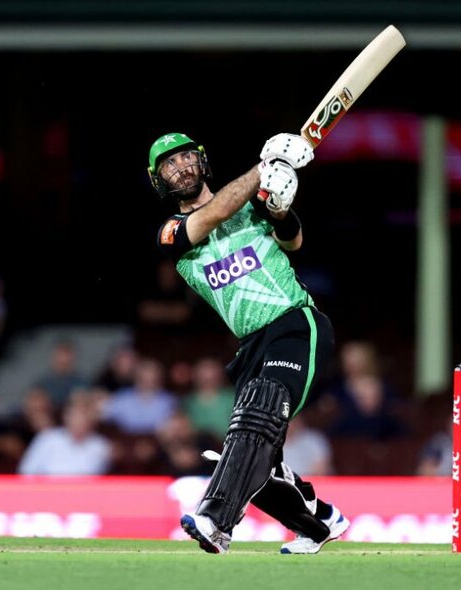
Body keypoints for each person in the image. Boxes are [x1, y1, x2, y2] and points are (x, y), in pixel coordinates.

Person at [148, 131, 347, 555]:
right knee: (252, 452)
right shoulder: (172, 233)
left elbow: (293, 240)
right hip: (250, 345)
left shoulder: (251, 203)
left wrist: (278, 208)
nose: (180, 167)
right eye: (169, 165)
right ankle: (320, 521)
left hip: (295, 323)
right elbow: (214, 213)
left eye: (186, 158)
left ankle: (216, 522)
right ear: (158, 180)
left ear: (202, 161)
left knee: (256, 420)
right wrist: (264, 166)